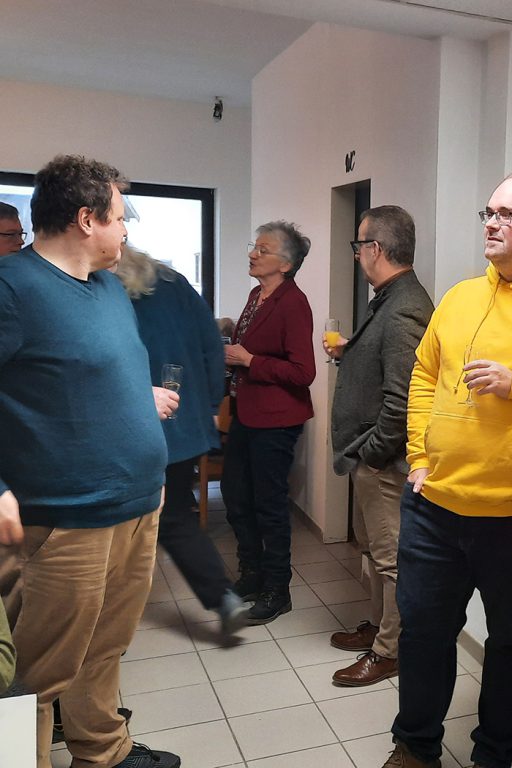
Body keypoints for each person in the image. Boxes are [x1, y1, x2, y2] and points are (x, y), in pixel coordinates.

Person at [386, 174, 512, 768]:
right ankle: (415, 747)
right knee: (423, 634)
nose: (492, 223)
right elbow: (426, 374)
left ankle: (494, 755)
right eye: (489, 212)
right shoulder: (460, 296)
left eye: (508, 214)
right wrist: (419, 456)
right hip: (434, 506)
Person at [0, 154, 180, 768]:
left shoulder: (107, 288)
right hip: (63, 521)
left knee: (105, 647)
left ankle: (102, 751)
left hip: (136, 505)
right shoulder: (11, 288)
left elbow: (81, 370)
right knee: (35, 675)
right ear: (85, 219)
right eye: (119, 217)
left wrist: (136, 396)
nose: (125, 229)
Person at [115, 245, 248, 635]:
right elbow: (211, 345)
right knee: (174, 513)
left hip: (130, 425)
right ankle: (222, 596)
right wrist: (210, 404)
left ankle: (110, 616)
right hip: (183, 425)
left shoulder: (102, 288)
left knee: (124, 522)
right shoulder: (174, 282)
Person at [325, 205, 433, 687]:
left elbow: (405, 398)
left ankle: (389, 651)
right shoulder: (388, 298)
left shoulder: (406, 304)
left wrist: (370, 453)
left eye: (358, 245)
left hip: (384, 462)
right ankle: (378, 629)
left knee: (391, 562)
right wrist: (350, 352)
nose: (356, 255)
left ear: (376, 249)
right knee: (373, 550)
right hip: (370, 457)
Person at [223, 221, 315, 624]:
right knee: (236, 495)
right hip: (245, 412)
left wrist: (250, 361)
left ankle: (278, 589)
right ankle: (252, 573)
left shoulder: (294, 303)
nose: (253, 254)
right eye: (254, 246)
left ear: (286, 264)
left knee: (269, 505)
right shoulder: (256, 296)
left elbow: (303, 372)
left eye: (263, 250)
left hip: (276, 421)